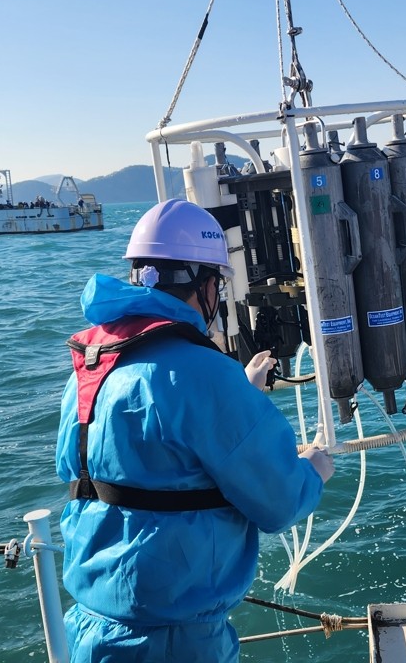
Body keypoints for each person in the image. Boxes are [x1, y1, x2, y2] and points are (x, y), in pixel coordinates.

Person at [56, 198, 333, 663]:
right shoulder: (206, 375)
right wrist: (315, 469)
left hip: (88, 631)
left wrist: (239, 392)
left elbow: (131, 458)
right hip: (173, 643)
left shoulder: (91, 366)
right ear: (206, 285)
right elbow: (279, 500)